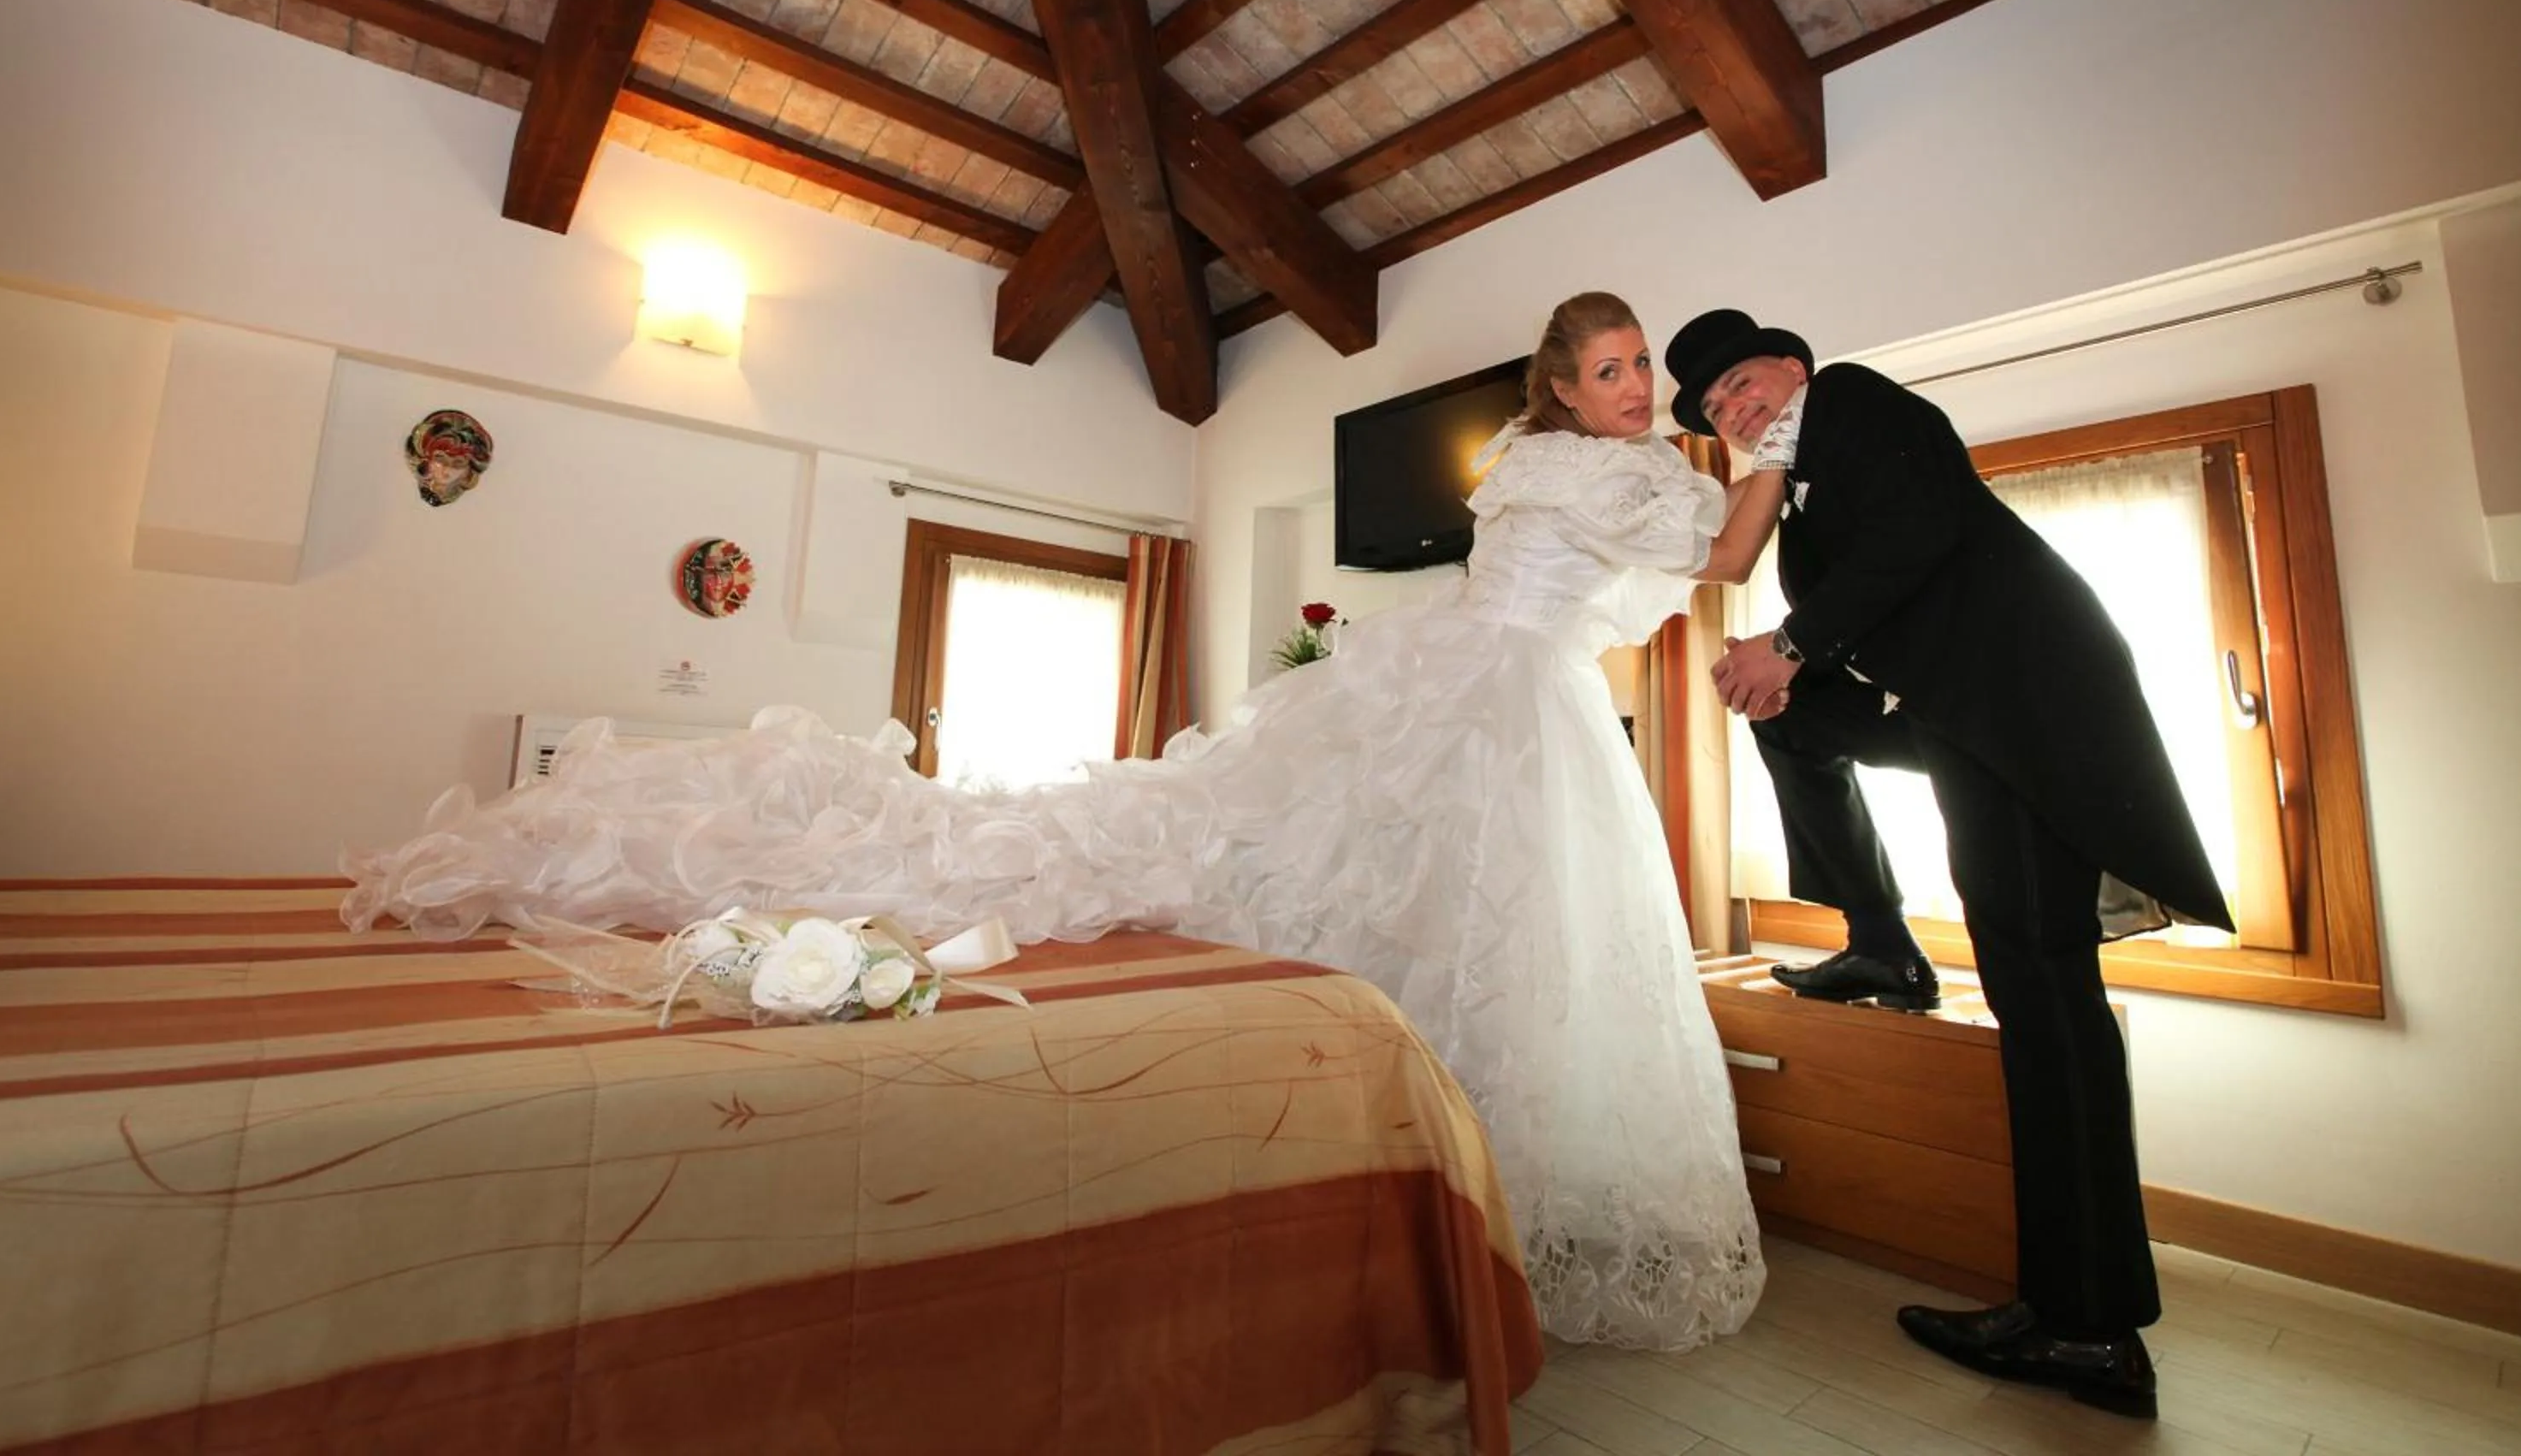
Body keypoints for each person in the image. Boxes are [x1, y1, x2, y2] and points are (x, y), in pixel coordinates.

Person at [344, 293, 1795, 1351]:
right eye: (1606, 370)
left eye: (1635, 371)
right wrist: (1779, 440)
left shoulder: (1548, 467)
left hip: (1484, 679)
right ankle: (1477, 1178)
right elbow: (1729, 556)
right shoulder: (1611, 469)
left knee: (1423, 888)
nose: (1626, 387)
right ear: (1560, 384)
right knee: (1494, 912)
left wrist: (1704, 461)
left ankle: (1453, 1163)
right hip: (1517, 700)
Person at [1664, 307, 2234, 1420]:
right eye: (1718, 410)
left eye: (1741, 383)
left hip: (2018, 722)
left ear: (1795, 364)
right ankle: (1881, 944)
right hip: (1954, 711)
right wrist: (1792, 667)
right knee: (1788, 720)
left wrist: (1785, 645)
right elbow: (1868, 605)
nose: (1736, 411)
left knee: (2044, 998)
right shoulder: (1805, 495)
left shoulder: (1860, 402)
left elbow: (1920, 536)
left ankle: (2087, 1325)